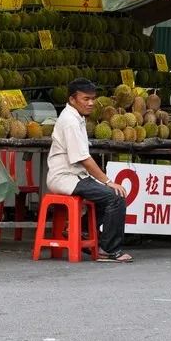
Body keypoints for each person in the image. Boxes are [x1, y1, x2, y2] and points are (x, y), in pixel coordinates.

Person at [46, 78, 133, 262]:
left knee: (108, 195)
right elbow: (84, 159)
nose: (91, 103)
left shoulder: (77, 118)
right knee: (115, 197)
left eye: (93, 99)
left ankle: (82, 232)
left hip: (76, 176)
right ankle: (108, 250)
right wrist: (108, 181)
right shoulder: (70, 121)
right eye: (86, 99)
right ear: (72, 99)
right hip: (65, 177)